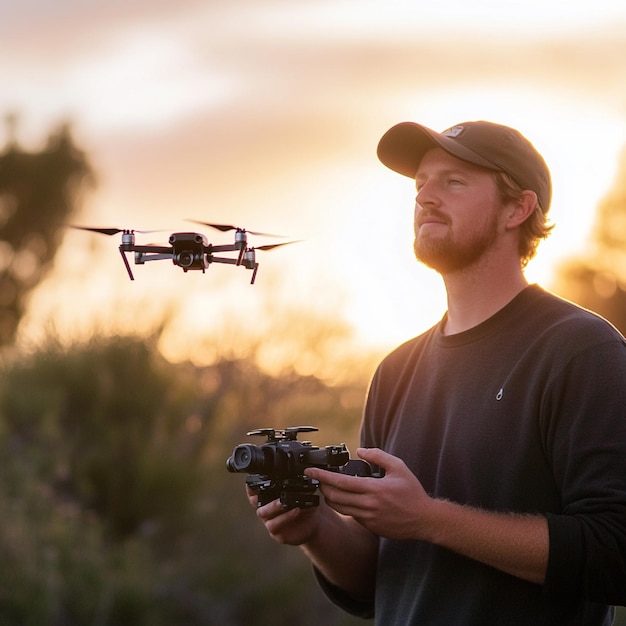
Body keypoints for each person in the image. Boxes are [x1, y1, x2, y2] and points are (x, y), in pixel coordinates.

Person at [246, 120, 626, 624]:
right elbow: (379, 580)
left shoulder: (581, 351)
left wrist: (429, 519)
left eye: (454, 181)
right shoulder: (395, 371)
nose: (425, 197)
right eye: (420, 183)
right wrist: (316, 529)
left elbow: (615, 552)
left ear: (518, 208)